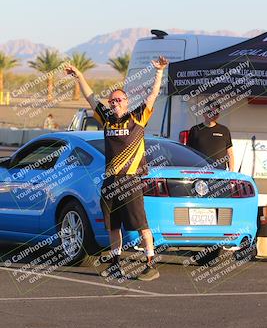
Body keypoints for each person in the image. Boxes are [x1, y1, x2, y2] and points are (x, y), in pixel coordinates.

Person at [65, 56, 169, 281]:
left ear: (127, 101)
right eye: (112, 101)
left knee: (141, 225)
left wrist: (159, 72)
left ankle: (150, 263)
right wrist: (79, 76)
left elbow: (152, 96)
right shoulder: (107, 119)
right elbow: (90, 96)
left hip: (131, 180)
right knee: (113, 227)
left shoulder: (138, 117)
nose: (115, 103)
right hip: (110, 181)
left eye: (119, 100)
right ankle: (115, 263)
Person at [188, 102, 235, 171]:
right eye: (209, 112)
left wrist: (232, 171)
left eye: (215, 113)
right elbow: (189, 153)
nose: (212, 115)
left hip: (220, 172)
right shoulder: (195, 130)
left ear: (218, 115)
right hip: (200, 171)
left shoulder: (224, 130)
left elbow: (229, 153)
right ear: (204, 113)